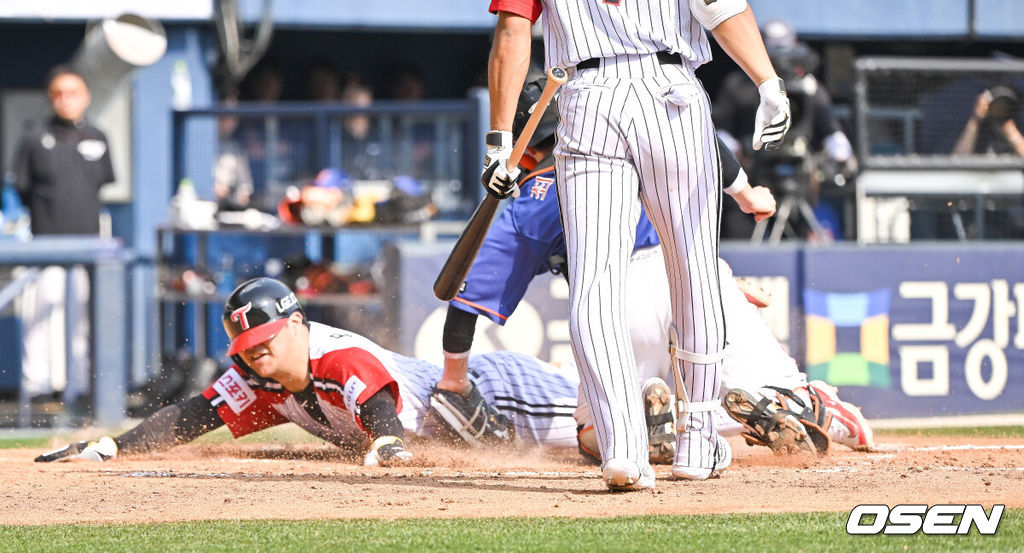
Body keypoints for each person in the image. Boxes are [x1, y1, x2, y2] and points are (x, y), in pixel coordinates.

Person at [434, 79, 870, 467]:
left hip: (611, 298)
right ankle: (812, 406)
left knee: (596, 436)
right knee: (780, 394)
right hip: (698, 278)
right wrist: (746, 193)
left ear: (526, 152)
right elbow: (700, 134)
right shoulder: (638, 138)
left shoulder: (533, 201)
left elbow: (468, 296)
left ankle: (639, 427)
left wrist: (454, 378)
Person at [483, 0, 790, 490]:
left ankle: (622, 448)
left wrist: (500, 139)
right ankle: (698, 439)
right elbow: (721, 6)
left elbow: (512, 31)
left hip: (585, 97)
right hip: (668, 92)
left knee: (594, 283)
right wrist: (768, 82)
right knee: (693, 268)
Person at [35, 277, 583, 464]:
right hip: (468, 425)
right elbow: (193, 415)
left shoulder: (334, 354)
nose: (256, 352)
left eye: (266, 338)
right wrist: (111, 447)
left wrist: (388, 444)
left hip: (500, 391)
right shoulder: (262, 378)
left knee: (611, 437)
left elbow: (375, 405)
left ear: (296, 324)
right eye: (247, 345)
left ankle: (660, 415)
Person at [12, 65, 115, 409]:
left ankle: (81, 386)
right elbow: (22, 190)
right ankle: (36, 388)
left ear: (85, 97)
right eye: (58, 93)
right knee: (39, 317)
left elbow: (101, 185)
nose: (66, 100)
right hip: (45, 247)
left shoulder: (98, 137)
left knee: (81, 321)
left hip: (86, 247)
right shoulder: (34, 136)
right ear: (50, 98)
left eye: (73, 93)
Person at [713, 19, 855, 240]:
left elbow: (832, 133)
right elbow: (720, 133)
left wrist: (841, 155)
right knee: (742, 240)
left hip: (796, 181)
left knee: (798, 239)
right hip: (750, 178)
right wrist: (737, 153)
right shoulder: (738, 85)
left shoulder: (809, 87)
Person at [952, 86, 1024, 157]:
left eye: (1006, 105)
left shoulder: (1019, 127)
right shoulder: (979, 129)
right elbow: (958, 162)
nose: (1000, 108)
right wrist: (975, 121)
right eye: (997, 104)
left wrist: (1012, 134)